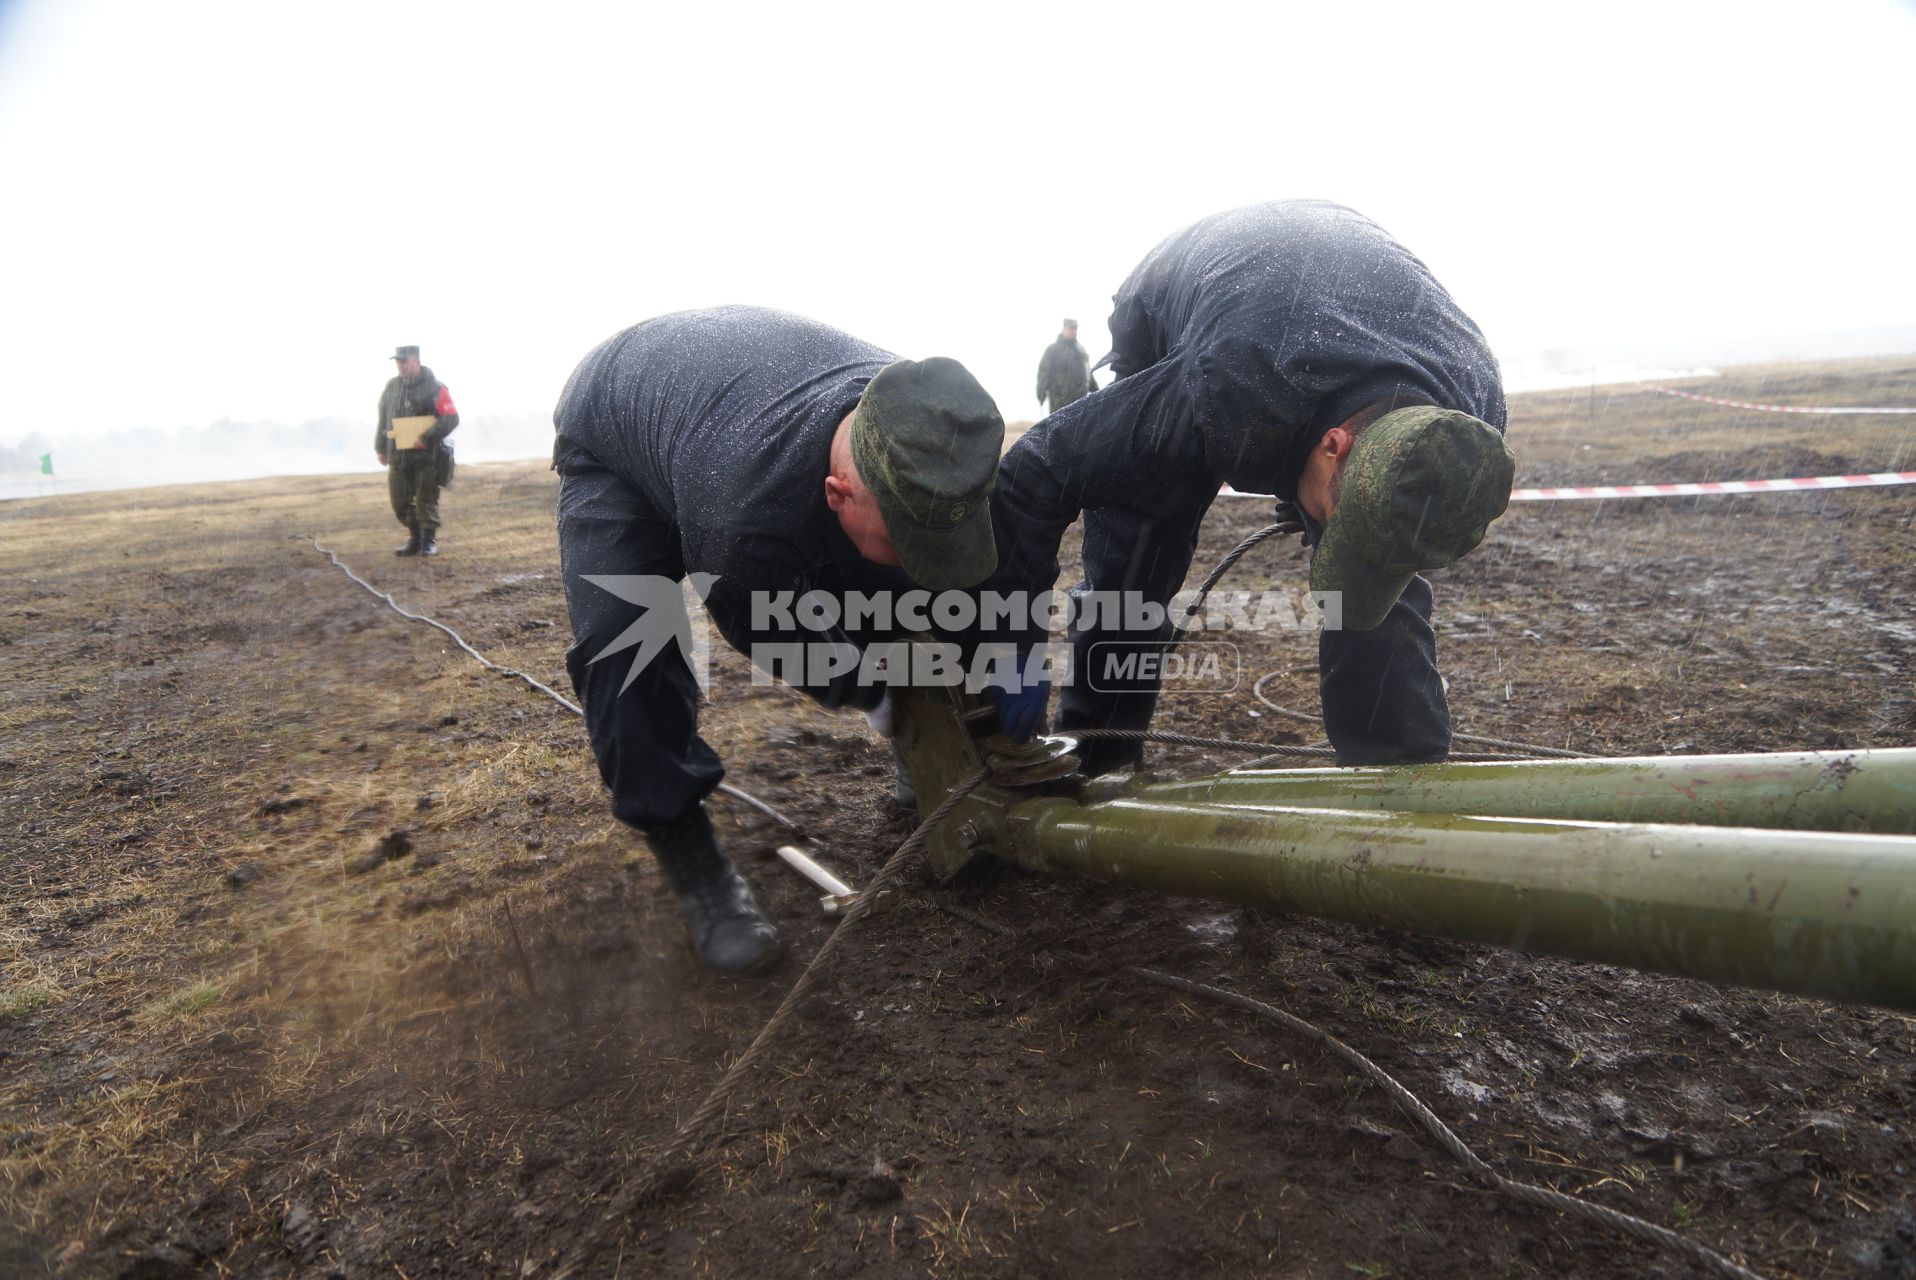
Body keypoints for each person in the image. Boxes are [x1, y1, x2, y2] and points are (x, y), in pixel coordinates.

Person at [987, 200, 1515, 774]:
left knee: (1383, 570)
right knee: (1136, 568)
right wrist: (1009, 654)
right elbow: (1033, 473)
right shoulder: (1226, 391)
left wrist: (1361, 541)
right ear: (1332, 445)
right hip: (1184, 305)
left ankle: (1392, 772)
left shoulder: (1469, 427)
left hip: (1327, 304)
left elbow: (1382, 538)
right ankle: (1100, 753)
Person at [552, 306, 1004, 974]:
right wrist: (865, 689)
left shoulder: (923, 426)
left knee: (891, 575)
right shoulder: (745, 526)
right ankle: (691, 855)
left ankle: (926, 746)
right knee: (626, 648)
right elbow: (777, 631)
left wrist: (992, 663)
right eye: (897, 533)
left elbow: (955, 579)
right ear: (835, 492)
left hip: (727, 404)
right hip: (616, 422)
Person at [374, 345, 459, 556]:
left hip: (427, 457)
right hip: (399, 456)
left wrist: (426, 437)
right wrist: (380, 448)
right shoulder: (391, 387)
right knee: (400, 502)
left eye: (405, 361)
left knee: (425, 501)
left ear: (416, 361)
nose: (401, 366)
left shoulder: (435, 387)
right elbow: (383, 419)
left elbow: (451, 418)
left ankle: (428, 542)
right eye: (398, 362)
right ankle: (415, 537)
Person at [1034, 318, 1097, 414]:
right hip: (1059, 403)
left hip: (1080, 403)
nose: (1073, 331)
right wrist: (1041, 394)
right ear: (1064, 329)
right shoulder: (1052, 350)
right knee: (1059, 428)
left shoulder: (1081, 350)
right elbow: (1043, 372)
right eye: (1070, 328)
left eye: (1075, 328)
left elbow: (1088, 374)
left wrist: (1096, 391)